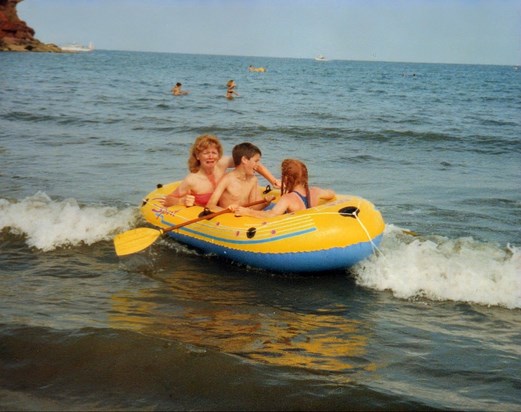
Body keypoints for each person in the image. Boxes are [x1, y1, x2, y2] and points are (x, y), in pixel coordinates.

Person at [161, 135, 279, 208]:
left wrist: (273, 180)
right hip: (211, 212)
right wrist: (181, 201)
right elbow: (167, 199)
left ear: (219, 155)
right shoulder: (192, 179)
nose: (211, 157)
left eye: (214, 153)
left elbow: (252, 162)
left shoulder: (222, 163)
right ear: (197, 156)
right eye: (206, 153)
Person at [234, 159, 335, 218]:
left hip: (293, 231)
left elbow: (271, 215)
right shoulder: (315, 191)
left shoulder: (288, 198)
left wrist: (247, 212)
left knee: (268, 208)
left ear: (286, 179)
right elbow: (331, 194)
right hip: (306, 221)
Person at [206, 142, 273, 212]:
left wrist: (265, 203)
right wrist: (226, 210)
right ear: (244, 160)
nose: (258, 165)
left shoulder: (253, 180)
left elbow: (253, 208)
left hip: (243, 216)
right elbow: (210, 205)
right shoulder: (227, 179)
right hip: (227, 218)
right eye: (256, 161)